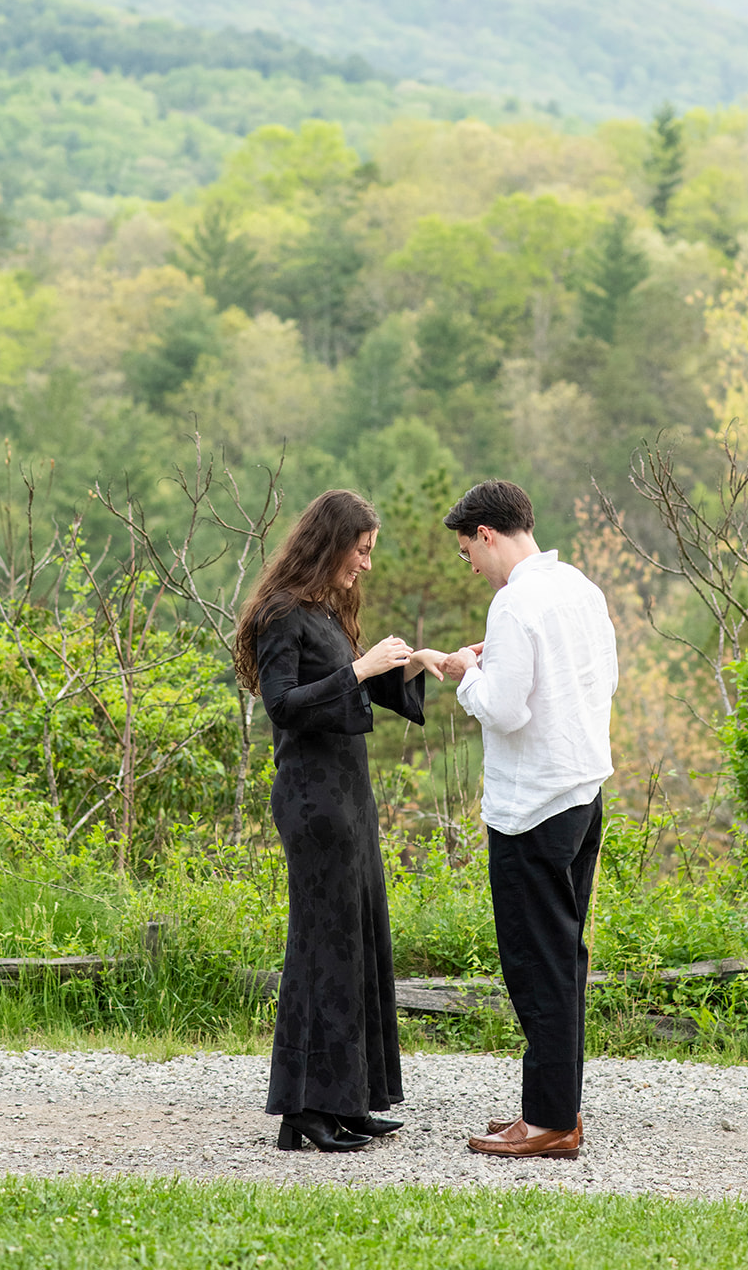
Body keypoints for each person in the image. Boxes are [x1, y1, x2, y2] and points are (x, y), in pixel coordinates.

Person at [234, 489, 446, 1154]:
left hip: (348, 795)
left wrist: (416, 663)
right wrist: (360, 667)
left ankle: (350, 1102)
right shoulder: (280, 615)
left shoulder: (325, 612)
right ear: (330, 543)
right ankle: (305, 1110)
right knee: (322, 950)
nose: (367, 566)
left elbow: (356, 685)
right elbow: (284, 706)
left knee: (357, 943)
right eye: (361, 551)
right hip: (310, 799)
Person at [440, 480, 617, 1161]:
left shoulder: (513, 603)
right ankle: (555, 1107)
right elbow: (599, 681)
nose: (471, 566)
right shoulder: (579, 588)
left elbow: (506, 710)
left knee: (535, 964)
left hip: (530, 807)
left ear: (487, 533)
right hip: (580, 789)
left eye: (466, 552)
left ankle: (548, 1122)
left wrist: (463, 673)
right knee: (564, 960)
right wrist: (495, 672)